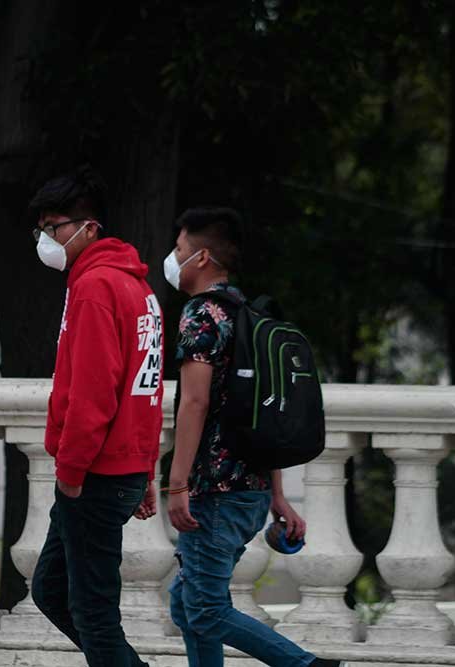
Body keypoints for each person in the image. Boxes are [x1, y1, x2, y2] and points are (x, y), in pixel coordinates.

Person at [164, 207, 347, 667]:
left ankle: (306, 666)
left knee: (204, 609)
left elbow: (194, 403)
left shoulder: (202, 315)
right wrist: (276, 495)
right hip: (248, 490)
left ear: (202, 257)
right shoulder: (247, 314)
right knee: (185, 605)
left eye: (180, 250)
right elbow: (265, 410)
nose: (174, 258)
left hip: (214, 492)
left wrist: (177, 483)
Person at [28, 166, 164, 667]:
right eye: (40, 228)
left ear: (88, 227)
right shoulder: (137, 289)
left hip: (94, 474)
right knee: (51, 590)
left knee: (94, 614)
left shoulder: (96, 288)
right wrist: (144, 469)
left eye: (53, 227)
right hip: (118, 468)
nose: (45, 239)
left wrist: (70, 473)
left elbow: (94, 394)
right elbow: (146, 388)